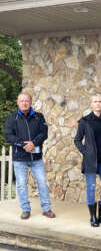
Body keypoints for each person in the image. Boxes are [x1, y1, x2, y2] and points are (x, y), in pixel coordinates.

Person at [5, 92, 55, 220]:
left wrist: (34, 143)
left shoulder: (39, 117)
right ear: (17, 102)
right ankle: (25, 209)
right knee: (21, 184)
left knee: (42, 183)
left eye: (26, 101)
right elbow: (8, 136)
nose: (24, 103)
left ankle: (46, 208)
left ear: (31, 102)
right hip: (19, 158)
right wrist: (23, 144)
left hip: (36, 158)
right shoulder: (12, 118)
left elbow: (44, 133)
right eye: (21, 101)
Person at [74, 94, 101, 227]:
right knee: (91, 188)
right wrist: (85, 152)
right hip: (91, 162)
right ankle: (93, 216)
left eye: (100, 102)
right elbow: (77, 140)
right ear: (91, 104)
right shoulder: (84, 121)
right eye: (95, 102)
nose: (98, 104)